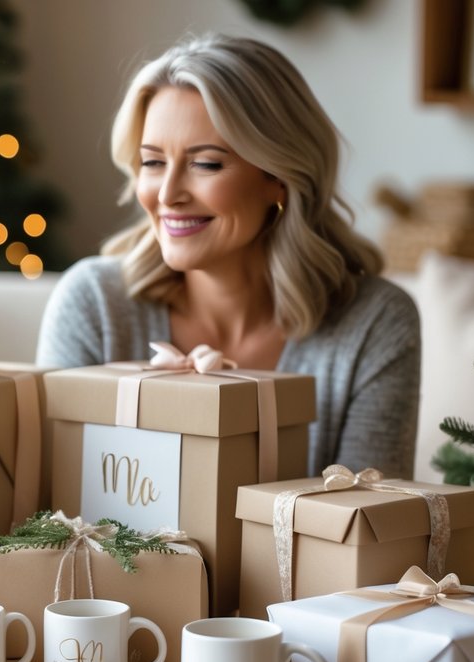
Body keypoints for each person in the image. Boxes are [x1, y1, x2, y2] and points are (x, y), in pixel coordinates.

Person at [36, 34, 419, 478]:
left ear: (278, 176)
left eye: (207, 164)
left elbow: (371, 532)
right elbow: (46, 515)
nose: (167, 194)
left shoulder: (374, 324)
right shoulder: (94, 304)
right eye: (153, 162)